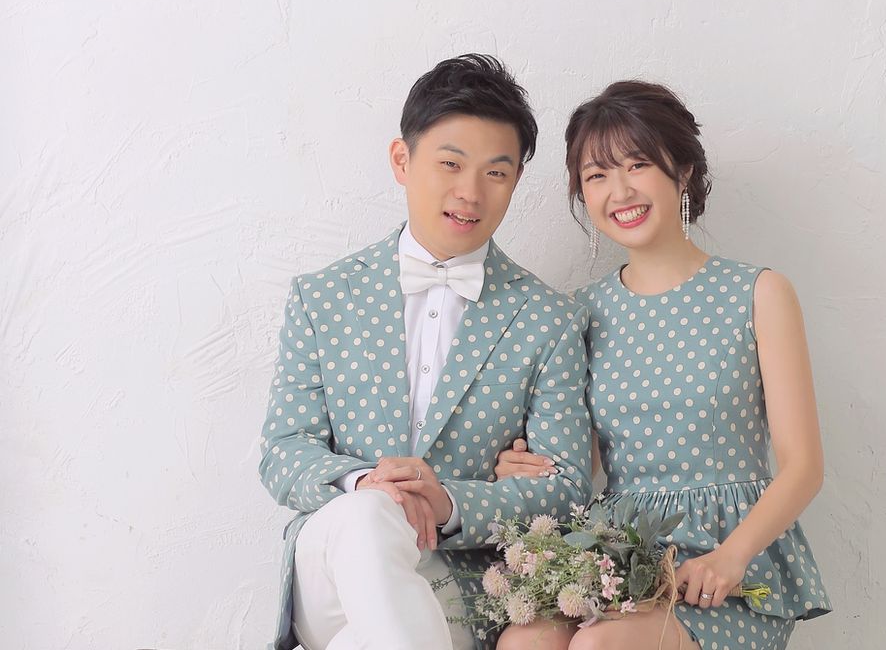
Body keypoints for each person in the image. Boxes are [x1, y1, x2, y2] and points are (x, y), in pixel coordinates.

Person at [258, 55, 593, 650]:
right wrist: (366, 484)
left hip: (459, 585)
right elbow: (284, 450)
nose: (470, 192)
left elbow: (565, 490)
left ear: (516, 181)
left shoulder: (549, 319)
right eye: (450, 164)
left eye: (496, 173)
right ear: (402, 160)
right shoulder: (323, 296)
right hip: (330, 570)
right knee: (369, 516)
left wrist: (448, 502)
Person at [494, 81, 831, 650]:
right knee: (522, 642)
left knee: (599, 647)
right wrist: (526, 468)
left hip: (729, 560)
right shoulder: (581, 312)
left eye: (638, 164)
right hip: (619, 556)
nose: (619, 190)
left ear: (683, 171)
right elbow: (581, 463)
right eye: (597, 175)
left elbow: (804, 467)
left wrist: (730, 557)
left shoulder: (758, 293)